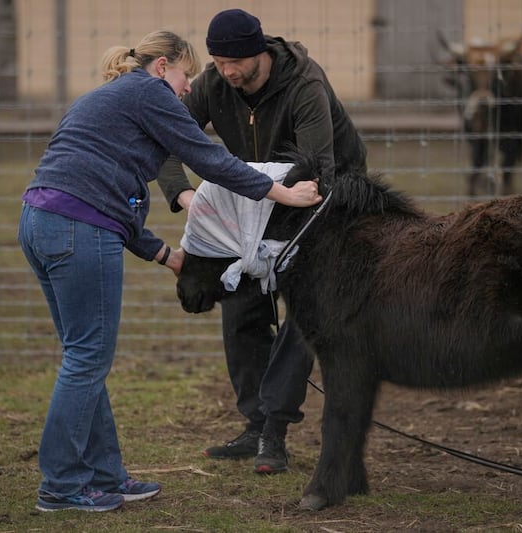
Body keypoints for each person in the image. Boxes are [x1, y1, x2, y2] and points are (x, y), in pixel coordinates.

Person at [18, 29, 322, 513]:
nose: (188, 89)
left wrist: (166, 255)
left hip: (42, 222)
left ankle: (104, 475)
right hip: (78, 228)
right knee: (86, 360)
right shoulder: (148, 92)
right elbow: (209, 159)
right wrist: (283, 193)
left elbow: (115, 193)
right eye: (187, 76)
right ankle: (61, 486)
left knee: (84, 357)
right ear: (164, 68)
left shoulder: (110, 99)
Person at [156, 9, 367, 475]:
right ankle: (253, 424)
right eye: (219, 61)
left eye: (237, 62)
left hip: (324, 197)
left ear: (260, 53)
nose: (228, 71)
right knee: (240, 303)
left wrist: (267, 230)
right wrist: (185, 195)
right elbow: (165, 140)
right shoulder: (214, 84)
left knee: (304, 313)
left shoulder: (305, 85)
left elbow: (316, 169)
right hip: (252, 202)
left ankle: (275, 430)